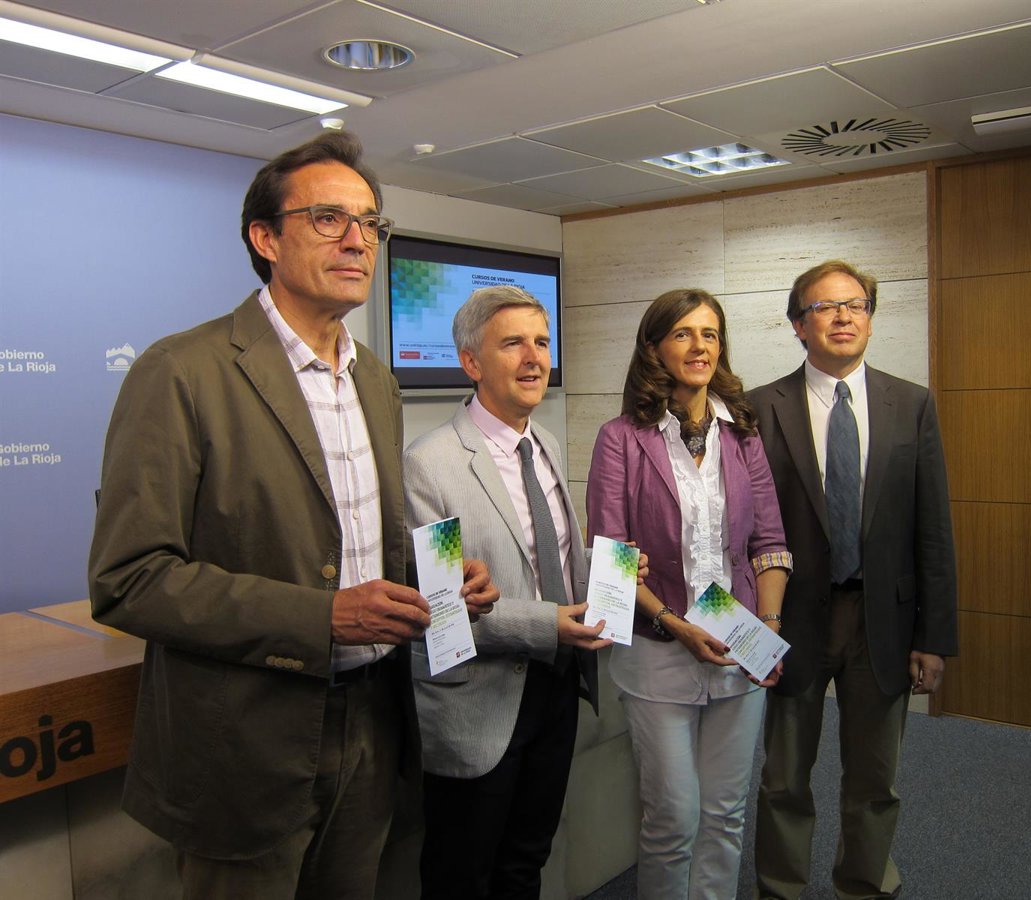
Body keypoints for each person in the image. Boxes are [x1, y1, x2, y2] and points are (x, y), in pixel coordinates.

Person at [88, 132, 497, 900]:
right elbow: (129, 579)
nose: (358, 241)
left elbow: (359, 542)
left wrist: (439, 582)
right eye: (328, 219)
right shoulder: (181, 372)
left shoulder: (375, 380)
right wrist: (322, 617)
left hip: (373, 725)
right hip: (244, 744)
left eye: (370, 223)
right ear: (265, 238)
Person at [404, 285, 636, 900]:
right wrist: (548, 623)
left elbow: (548, 560)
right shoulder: (428, 464)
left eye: (542, 342)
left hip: (557, 687)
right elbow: (444, 610)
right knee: (461, 877)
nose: (535, 359)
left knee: (526, 862)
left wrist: (609, 575)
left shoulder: (546, 445)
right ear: (471, 362)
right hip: (478, 702)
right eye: (513, 344)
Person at [750, 260, 958, 900]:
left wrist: (933, 636)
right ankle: (781, 888)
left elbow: (933, 528)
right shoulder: (759, 408)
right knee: (784, 776)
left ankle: (864, 884)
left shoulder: (911, 404)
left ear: (869, 319)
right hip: (791, 618)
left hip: (883, 619)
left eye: (856, 304)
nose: (843, 316)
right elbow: (745, 525)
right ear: (797, 325)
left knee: (874, 777)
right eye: (825, 306)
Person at [586, 288, 792, 899]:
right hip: (659, 648)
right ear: (654, 349)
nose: (699, 346)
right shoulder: (621, 439)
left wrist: (768, 627)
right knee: (673, 818)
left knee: (725, 815)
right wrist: (674, 624)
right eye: (683, 333)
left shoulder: (743, 435)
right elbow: (610, 557)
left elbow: (770, 542)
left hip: (739, 641)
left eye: (710, 333)